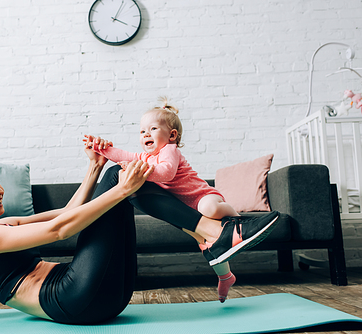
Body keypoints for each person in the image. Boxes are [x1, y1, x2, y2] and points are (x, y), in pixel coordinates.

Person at [0, 144, 278, 325]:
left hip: (99, 297)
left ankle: (212, 234)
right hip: (75, 299)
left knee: (122, 178)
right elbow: (60, 230)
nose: (0, 191)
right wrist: (119, 186)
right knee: (121, 179)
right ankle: (212, 234)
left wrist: (95, 168)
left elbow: (66, 213)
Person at [84, 97, 279, 302]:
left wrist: (138, 169)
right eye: (142, 131)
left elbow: (166, 173)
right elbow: (122, 153)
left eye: (152, 129)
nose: (146, 134)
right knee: (207, 243)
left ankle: (239, 222)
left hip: (202, 197)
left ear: (172, 135)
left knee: (210, 210)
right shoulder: (145, 157)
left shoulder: (170, 150)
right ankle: (225, 276)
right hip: (186, 207)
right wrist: (101, 148)